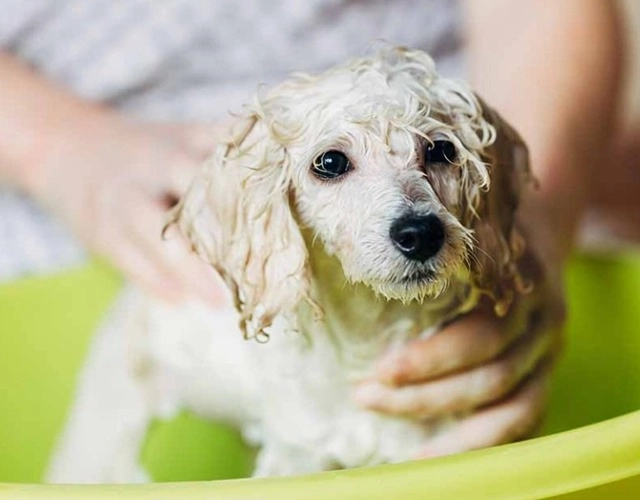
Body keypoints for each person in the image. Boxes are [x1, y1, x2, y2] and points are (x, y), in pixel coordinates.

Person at [0, 0, 626, 460]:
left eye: (434, 152)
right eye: (332, 164)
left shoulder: (478, 176)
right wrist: (51, 147)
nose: (411, 215)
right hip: (64, 218)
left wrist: (533, 221)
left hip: (483, 111)